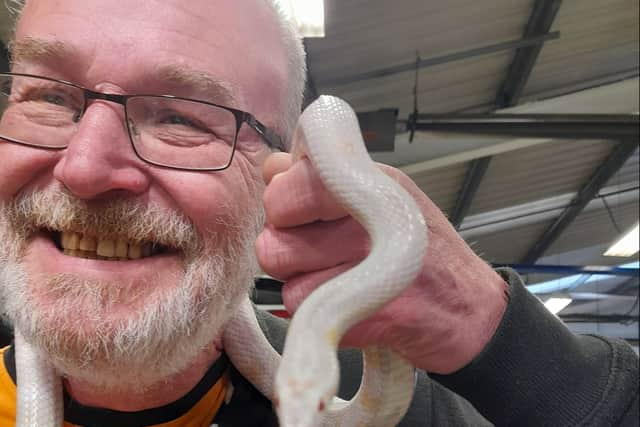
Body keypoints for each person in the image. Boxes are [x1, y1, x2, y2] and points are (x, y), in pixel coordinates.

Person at [0, 0, 637, 425]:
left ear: (277, 180)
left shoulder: (409, 406)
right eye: (49, 98)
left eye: (182, 118)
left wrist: (499, 335)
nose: (83, 168)